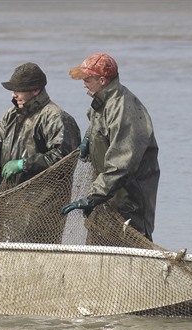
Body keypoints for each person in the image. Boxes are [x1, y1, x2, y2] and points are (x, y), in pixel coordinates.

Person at [0, 62, 81, 243]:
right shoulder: (10, 116)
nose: (14, 94)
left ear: (36, 90)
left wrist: (24, 164)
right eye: (13, 89)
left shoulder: (57, 118)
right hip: (9, 206)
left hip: (42, 210)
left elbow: (64, 160)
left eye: (19, 90)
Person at [61, 52, 160, 241]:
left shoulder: (124, 109)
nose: (83, 84)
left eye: (87, 79)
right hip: (108, 197)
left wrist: (93, 196)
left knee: (127, 258)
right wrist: (88, 140)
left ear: (103, 80)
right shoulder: (101, 102)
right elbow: (97, 125)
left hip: (129, 203)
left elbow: (122, 164)